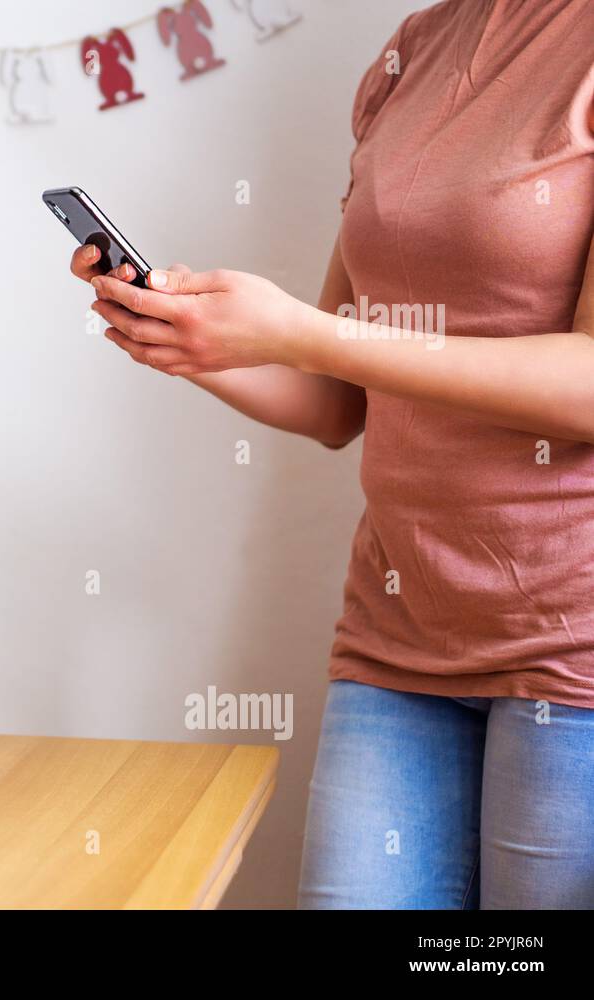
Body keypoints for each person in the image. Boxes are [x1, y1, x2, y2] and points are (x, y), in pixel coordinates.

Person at [69, 0, 594, 908]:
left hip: (571, 650)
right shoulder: (413, 50)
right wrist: (190, 342)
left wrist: (301, 333)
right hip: (397, 636)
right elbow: (336, 401)